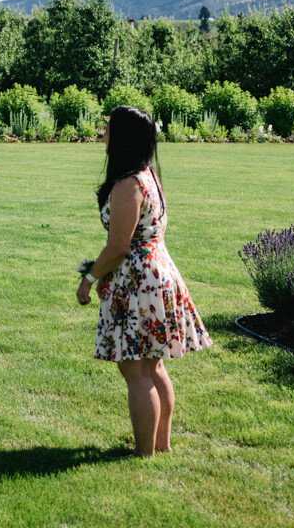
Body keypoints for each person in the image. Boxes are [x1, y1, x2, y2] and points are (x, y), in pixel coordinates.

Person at [76, 105, 211, 457]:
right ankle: (160, 446)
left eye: (107, 128)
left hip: (138, 282)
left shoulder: (128, 185)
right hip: (158, 273)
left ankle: (143, 452)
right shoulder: (148, 175)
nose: (103, 134)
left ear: (122, 138)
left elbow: (119, 247)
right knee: (154, 366)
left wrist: (89, 279)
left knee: (135, 371)